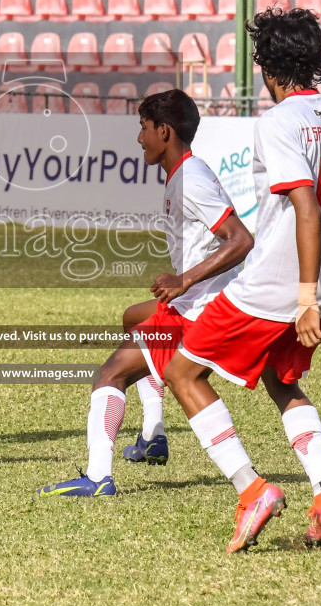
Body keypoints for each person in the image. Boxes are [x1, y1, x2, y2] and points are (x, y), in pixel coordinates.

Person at [159, 8, 321, 554]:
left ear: (268, 67)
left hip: (280, 282)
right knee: (283, 383)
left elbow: (304, 206)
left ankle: (251, 489)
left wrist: (305, 298)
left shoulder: (277, 123)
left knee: (183, 371)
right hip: (318, 278)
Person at [39, 88, 253, 498]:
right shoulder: (185, 174)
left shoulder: (191, 179)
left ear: (164, 131)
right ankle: (154, 436)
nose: (139, 138)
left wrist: (184, 280)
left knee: (112, 372)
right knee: (134, 319)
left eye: (143, 128)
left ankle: (99, 476)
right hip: (202, 303)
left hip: (202, 309)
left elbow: (241, 240)